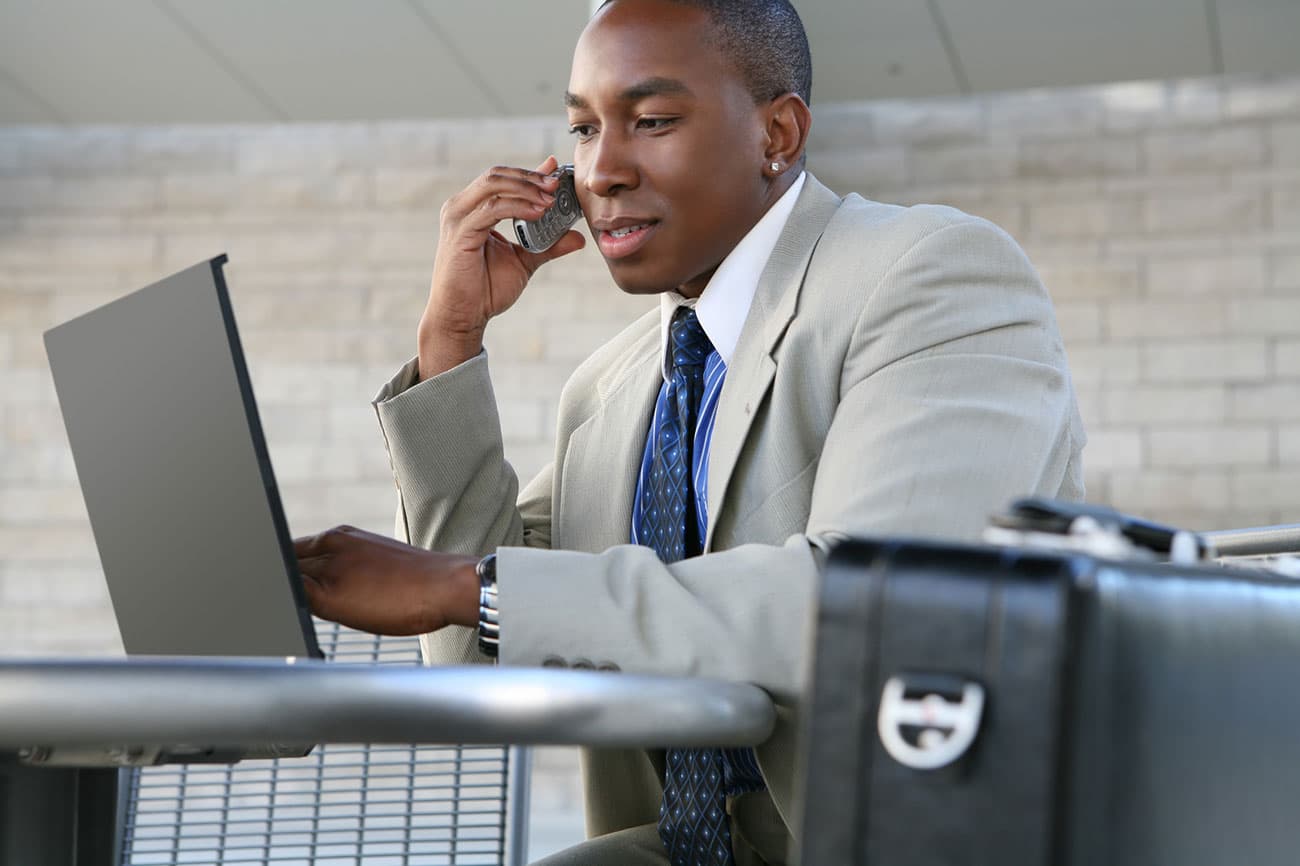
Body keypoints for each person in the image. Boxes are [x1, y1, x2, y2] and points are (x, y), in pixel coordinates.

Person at [292, 0, 1086, 863]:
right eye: (584, 129)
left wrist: (463, 586)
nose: (601, 171)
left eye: (654, 121)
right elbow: (472, 661)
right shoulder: (609, 387)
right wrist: (449, 346)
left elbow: (881, 606)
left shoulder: (926, 273)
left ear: (777, 133)